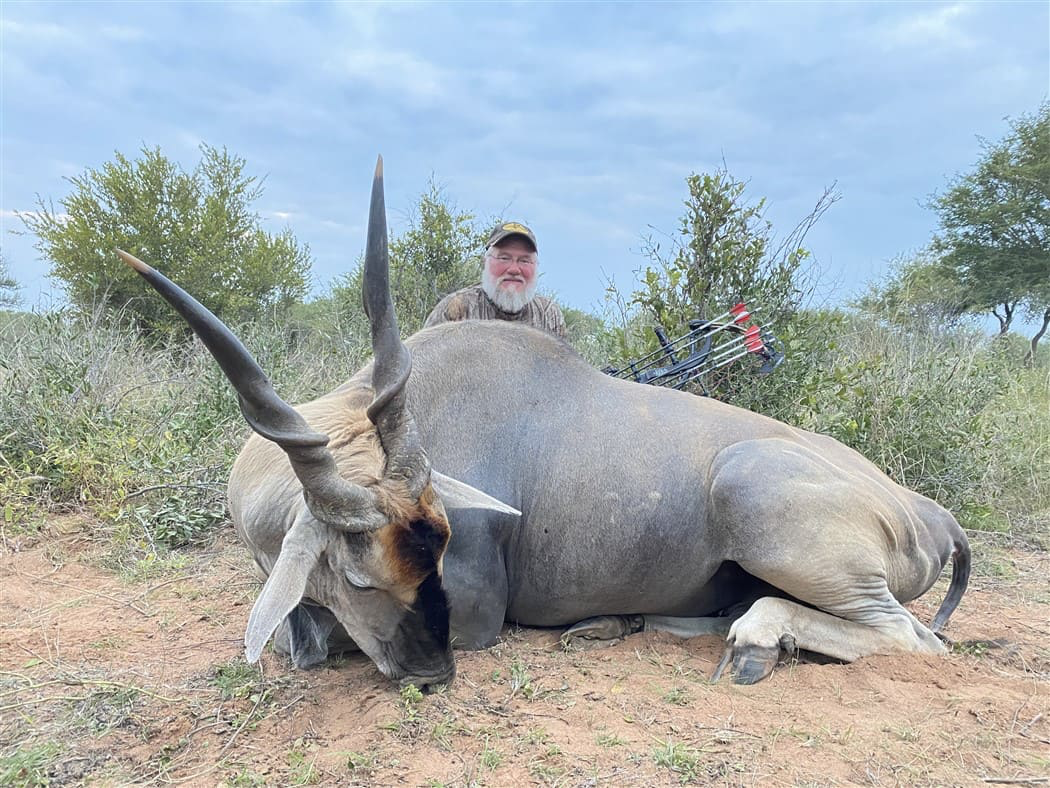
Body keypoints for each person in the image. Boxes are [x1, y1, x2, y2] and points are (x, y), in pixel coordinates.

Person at [423, 221, 566, 338]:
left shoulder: (548, 314)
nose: (514, 269)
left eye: (524, 261)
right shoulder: (456, 308)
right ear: (485, 262)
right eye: (504, 258)